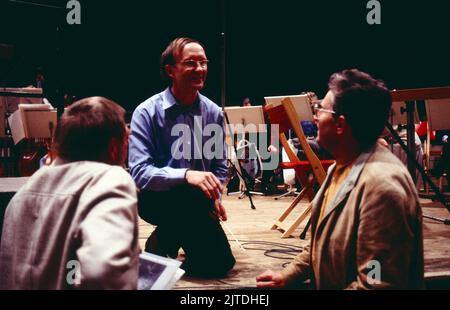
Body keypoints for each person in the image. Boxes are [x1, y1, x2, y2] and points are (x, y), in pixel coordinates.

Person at [256, 69, 424, 289]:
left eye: (320, 109)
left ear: (340, 125)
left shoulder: (382, 189)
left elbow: (376, 282)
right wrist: (288, 275)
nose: (315, 115)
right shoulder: (341, 166)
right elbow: (319, 243)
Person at [0, 97, 139, 289]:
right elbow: (105, 273)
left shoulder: (21, 196)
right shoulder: (111, 180)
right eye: (127, 141)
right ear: (114, 148)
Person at [128, 37, 235, 278]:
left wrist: (215, 195)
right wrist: (186, 176)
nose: (200, 69)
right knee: (191, 192)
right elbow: (139, 172)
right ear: (170, 70)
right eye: (191, 63)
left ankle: (160, 245)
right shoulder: (146, 112)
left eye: (204, 62)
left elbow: (219, 165)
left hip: (195, 203)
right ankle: (165, 244)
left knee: (220, 264)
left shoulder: (213, 112)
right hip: (154, 200)